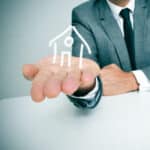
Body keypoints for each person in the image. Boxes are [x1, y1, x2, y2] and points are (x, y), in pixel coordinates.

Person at [22, 0, 150, 109]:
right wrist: (86, 86)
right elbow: (84, 69)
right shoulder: (83, 15)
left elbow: (130, 79)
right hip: (113, 114)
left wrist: (133, 79)